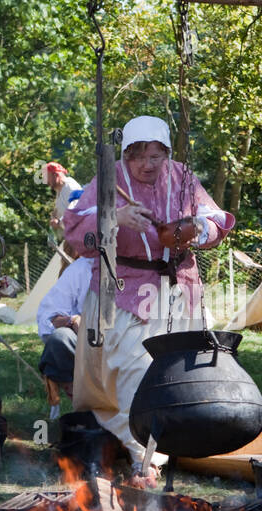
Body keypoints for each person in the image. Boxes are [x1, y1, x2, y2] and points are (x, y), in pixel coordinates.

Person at [63, 115, 235, 476]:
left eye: (155, 156)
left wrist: (195, 228)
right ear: (126, 153)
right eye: (138, 155)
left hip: (179, 287)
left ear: (166, 153)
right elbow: (77, 234)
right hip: (125, 287)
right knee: (133, 370)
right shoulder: (109, 178)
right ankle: (146, 457)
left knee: (183, 370)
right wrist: (115, 217)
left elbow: (216, 220)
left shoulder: (181, 175)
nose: (147, 164)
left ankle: (178, 442)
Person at [36, 254, 95, 398]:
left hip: (131, 342)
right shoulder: (83, 267)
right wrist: (73, 320)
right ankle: (83, 404)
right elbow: (48, 317)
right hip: (88, 343)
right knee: (60, 339)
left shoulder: (151, 265)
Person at [44, 162, 83, 231]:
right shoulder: (59, 190)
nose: (46, 181)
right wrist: (54, 216)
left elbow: (76, 208)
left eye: (47, 177)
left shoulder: (70, 185)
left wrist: (59, 222)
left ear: (55, 175)